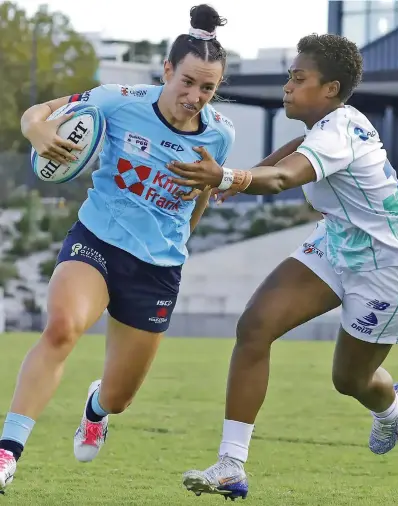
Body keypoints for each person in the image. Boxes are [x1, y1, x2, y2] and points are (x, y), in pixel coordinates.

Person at [167, 33, 398, 500]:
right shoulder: (327, 126)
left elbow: (287, 178)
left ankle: (390, 405)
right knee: (255, 326)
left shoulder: (340, 133)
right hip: (337, 243)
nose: (287, 85)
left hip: (388, 269)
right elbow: (294, 150)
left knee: (349, 381)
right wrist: (244, 175)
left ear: (329, 88)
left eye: (297, 77)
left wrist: (230, 176)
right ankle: (231, 464)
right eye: (289, 75)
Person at [0, 4, 235, 492]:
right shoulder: (117, 99)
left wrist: (184, 235)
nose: (195, 96)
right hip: (98, 239)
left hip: (157, 269)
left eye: (207, 88)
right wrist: (38, 131)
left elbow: (204, 193)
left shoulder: (221, 134)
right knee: (62, 328)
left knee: (120, 396)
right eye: (187, 81)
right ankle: (7, 452)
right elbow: (37, 113)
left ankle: (96, 409)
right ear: (167, 70)